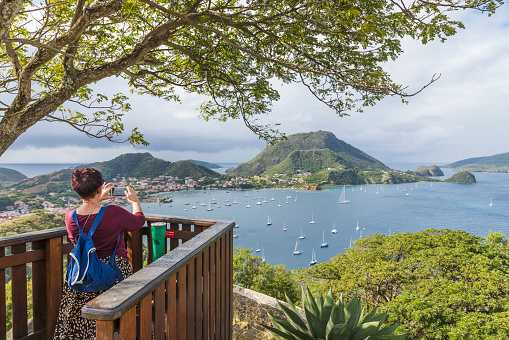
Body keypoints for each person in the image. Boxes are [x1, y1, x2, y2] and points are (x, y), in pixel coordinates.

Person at [54, 167, 146, 340]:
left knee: (84, 323)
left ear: (78, 190)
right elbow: (138, 222)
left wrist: (97, 198)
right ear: (98, 189)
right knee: (120, 319)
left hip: (83, 272)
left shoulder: (70, 216)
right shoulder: (113, 212)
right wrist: (134, 201)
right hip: (113, 271)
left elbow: (80, 236)